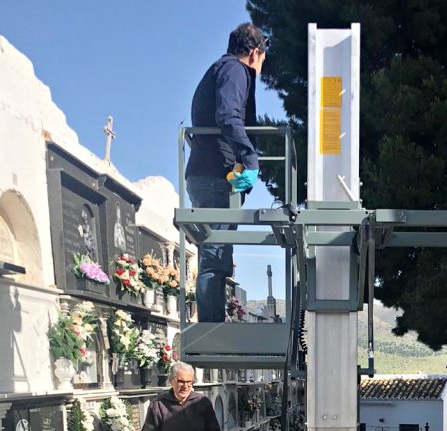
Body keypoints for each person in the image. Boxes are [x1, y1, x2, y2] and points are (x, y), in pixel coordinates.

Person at [186, 23, 268, 322]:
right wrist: (250, 157)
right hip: (215, 173)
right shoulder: (235, 70)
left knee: (218, 253)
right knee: (215, 255)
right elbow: (228, 116)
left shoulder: (220, 68)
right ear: (255, 52)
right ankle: (212, 327)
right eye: (262, 57)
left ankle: (213, 322)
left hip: (207, 171)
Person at [142, 362, 221, 431]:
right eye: (181, 381)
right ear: (171, 381)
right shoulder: (158, 405)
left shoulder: (203, 402)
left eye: (189, 382)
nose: (185, 386)